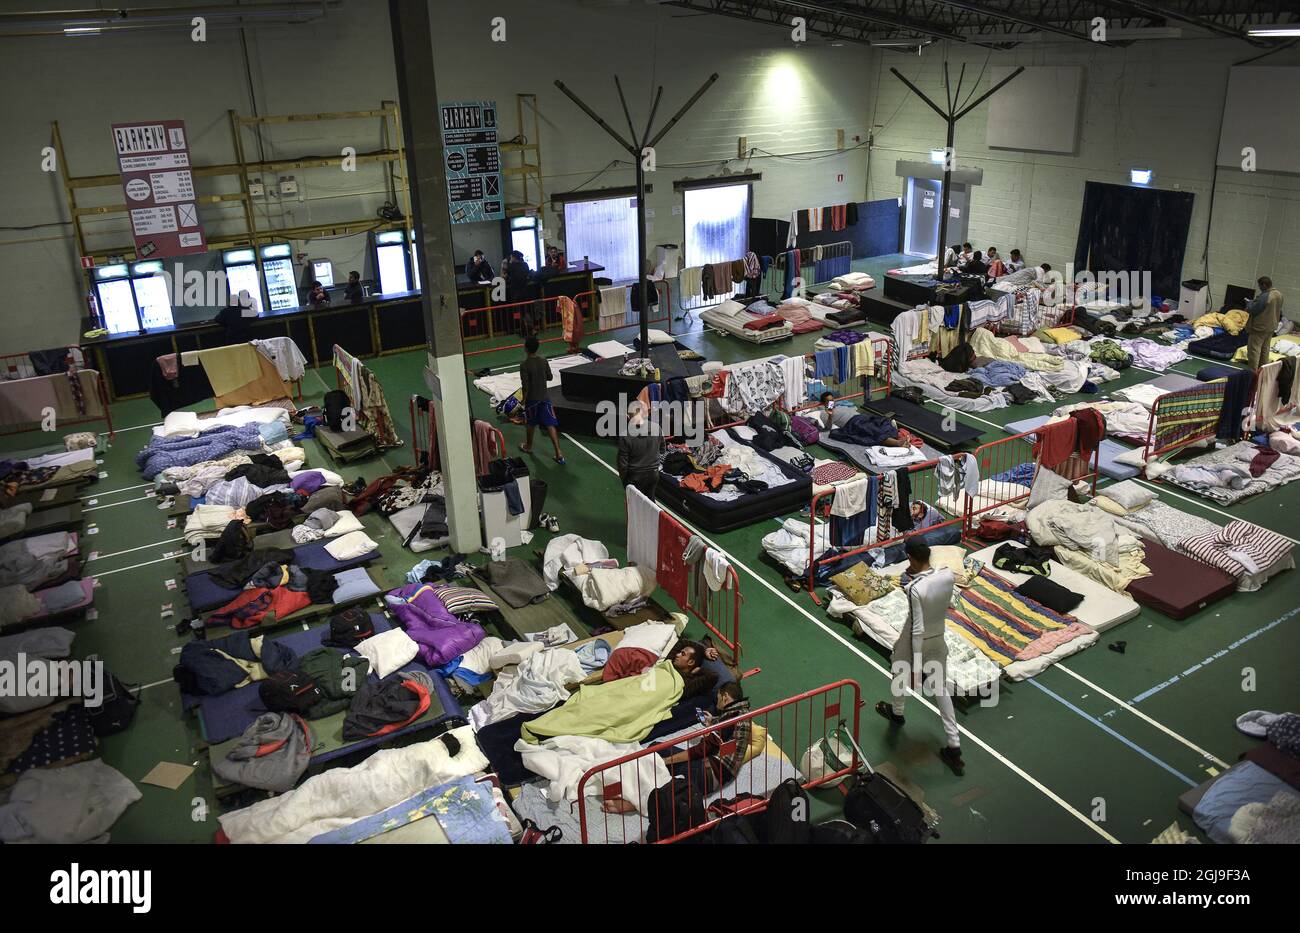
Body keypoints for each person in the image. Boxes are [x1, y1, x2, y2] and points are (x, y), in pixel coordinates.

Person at [876, 538, 965, 776]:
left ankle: (897, 711)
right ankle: (954, 746)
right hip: (939, 636)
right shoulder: (947, 575)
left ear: (911, 558)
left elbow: (916, 628)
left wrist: (916, 665)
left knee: (898, 670)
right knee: (941, 688)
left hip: (915, 640)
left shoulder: (914, 589)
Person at [519, 335, 565, 465]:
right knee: (550, 424)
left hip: (532, 400)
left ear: (526, 349)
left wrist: (523, 400)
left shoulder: (524, 365)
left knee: (530, 423)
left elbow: (525, 385)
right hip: (545, 398)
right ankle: (558, 452)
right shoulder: (544, 361)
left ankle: (528, 446)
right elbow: (550, 377)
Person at [618, 400, 662, 502]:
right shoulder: (657, 428)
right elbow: (662, 449)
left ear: (628, 416)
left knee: (634, 505)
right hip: (653, 474)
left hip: (635, 476)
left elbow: (622, 464)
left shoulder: (626, 436)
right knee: (651, 503)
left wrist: (625, 481)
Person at [1245, 276, 1285, 368]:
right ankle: (1263, 371)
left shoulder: (1265, 296)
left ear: (1264, 285)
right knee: (1265, 350)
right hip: (1271, 327)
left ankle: (1253, 372)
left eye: (1260, 286)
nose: (1259, 288)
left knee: (1254, 350)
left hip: (1259, 327)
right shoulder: (1279, 294)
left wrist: (1249, 303)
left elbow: (1253, 310)